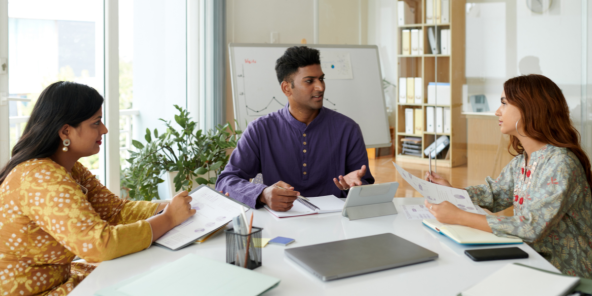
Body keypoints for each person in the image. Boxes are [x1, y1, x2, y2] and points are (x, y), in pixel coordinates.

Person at [0, 82, 196, 295]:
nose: (104, 129)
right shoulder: (40, 177)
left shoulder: (69, 168)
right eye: (96, 122)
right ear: (66, 131)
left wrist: (173, 206)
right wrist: (167, 219)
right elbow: (99, 245)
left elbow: (115, 211)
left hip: (61, 280)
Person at [425, 74, 592, 278]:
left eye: (504, 103)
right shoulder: (522, 161)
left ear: (529, 108)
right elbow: (494, 194)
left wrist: (459, 217)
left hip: (566, 272)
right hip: (534, 258)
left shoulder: (561, 163)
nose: (497, 111)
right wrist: (450, 191)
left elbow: (531, 227)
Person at [216, 46, 374, 212]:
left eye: (321, 79)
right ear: (286, 88)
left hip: (337, 224)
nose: (320, 87)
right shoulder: (260, 130)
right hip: (278, 226)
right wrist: (263, 193)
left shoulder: (348, 129)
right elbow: (226, 180)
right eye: (309, 81)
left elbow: (364, 185)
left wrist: (354, 187)